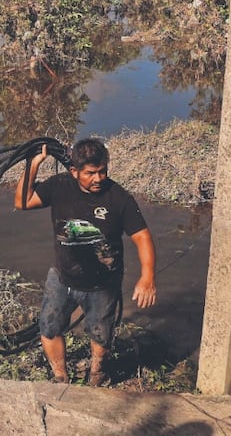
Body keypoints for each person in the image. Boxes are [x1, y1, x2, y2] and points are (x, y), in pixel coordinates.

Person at [14, 138, 156, 386]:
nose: (98, 178)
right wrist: (34, 165)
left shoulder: (118, 198)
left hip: (103, 284)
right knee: (49, 328)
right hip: (62, 278)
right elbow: (22, 202)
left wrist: (147, 277)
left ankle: (97, 373)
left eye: (102, 171)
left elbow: (142, 236)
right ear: (74, 172)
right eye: (90, 173)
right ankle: (61, 376)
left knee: (101, 335)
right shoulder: (58, 186)